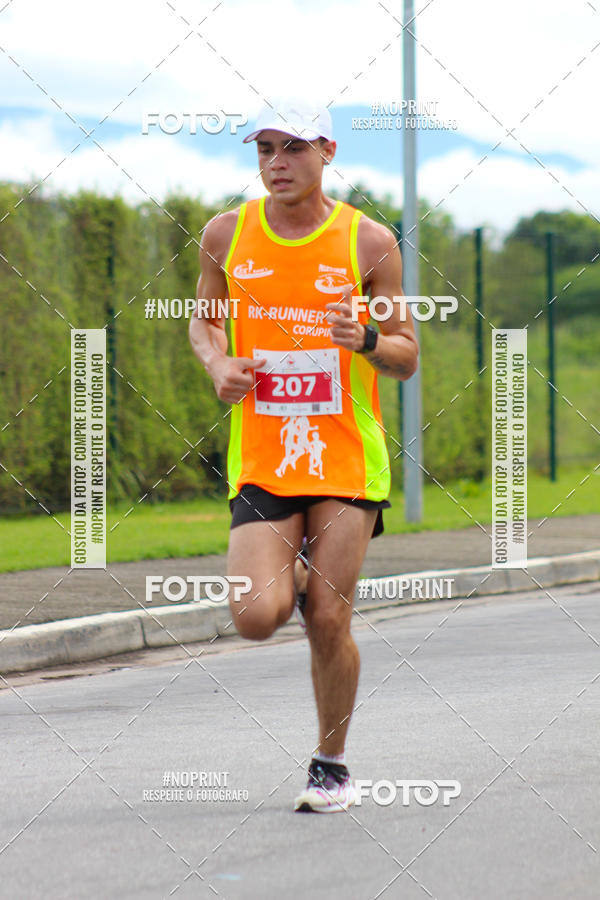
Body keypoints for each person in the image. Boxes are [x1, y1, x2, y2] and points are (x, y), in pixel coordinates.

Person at [189, 98, 419, 813]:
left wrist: (367, 342)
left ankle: (331, 764)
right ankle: (287, 566)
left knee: (328, 616)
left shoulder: (370, 241)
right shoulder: (226, 233)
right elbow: (204, 320)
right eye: (264, 151)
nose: (275, 165)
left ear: (326, 151)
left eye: (290, 149)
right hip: (265, 454)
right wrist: (216, 363)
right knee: (259, 614)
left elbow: (407, 356)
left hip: (349, 458)